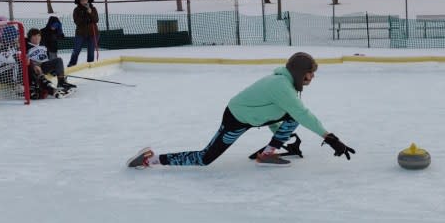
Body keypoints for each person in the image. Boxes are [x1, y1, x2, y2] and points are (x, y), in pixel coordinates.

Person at [127, 52, 355, 168]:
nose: (312, 77)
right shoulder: (280, 86)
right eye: (310, 72)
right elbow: (303, 114)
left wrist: (277, 139)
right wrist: (330, 137)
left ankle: (266, 155)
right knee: (204, 159)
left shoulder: (286, 86)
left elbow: (281, 112)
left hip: (255, 117)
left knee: (292, 117)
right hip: (237, 118)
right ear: (299, 71)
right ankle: (151, 159)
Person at [26, 28, 75, 99]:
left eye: (39, 35)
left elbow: (49, 57)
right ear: (30, 37)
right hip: (34, 67)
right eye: (34, 36)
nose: (37, 38)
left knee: (58, 60)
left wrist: (55, 70)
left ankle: (61, 83)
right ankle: (46, 89)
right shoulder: (26, 46)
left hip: (44, 65)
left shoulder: (43, 45)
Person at [67, 0, 99, 67]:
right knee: (76, 50)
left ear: (88, 1)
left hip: (93, 33)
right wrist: (85, 16)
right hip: (80, 34)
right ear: (79, 1)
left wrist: (90, 12)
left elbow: (96, 20)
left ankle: (89, 65)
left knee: (91, 52)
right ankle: (72, 64)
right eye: (82, 0)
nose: (84, 2)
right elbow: (77, 22)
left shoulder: (93, 9)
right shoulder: (76, 10)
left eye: (85, 0)